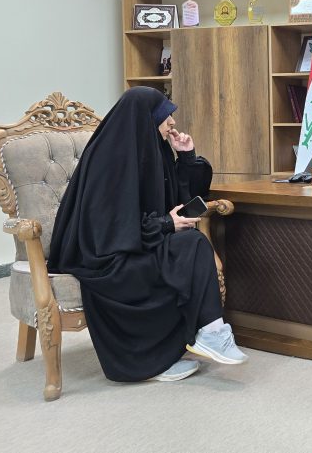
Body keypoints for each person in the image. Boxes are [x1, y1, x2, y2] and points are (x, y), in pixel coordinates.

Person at [49, 87, 248, 384]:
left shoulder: (152, 150)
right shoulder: (110, 159)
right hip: (106, 259)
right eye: (165, 115)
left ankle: (207, 334)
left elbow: (177, 200)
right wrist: (165, 225)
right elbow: (107, 226)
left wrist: (186, 157)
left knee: (191, 246)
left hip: (137, 244)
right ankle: (198, 340)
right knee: (191, 245)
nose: (172, 122)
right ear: (146, 117)